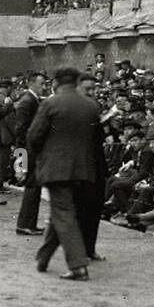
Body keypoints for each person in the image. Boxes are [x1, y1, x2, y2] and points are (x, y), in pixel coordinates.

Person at [27, 66, 100, 281]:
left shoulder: (50, 103)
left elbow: (34, 136)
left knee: (63, 213)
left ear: (56, 82)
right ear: (76, 82)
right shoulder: (91, 106)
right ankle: (44, 256)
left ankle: (78, 266)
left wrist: (43, 155)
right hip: (84, 169)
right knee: (63, 212)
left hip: (57, 169)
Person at [14, 71, 48, 235]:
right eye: (41, 84)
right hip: (29, 150)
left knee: (34, 188)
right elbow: (20, 132)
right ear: (32, 83)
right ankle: (26, 224)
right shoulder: (28, 102)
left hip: (30, 150)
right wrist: (20, 161)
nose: (44, 87)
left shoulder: (31, 100)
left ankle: (29, 223)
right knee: (32, 188)